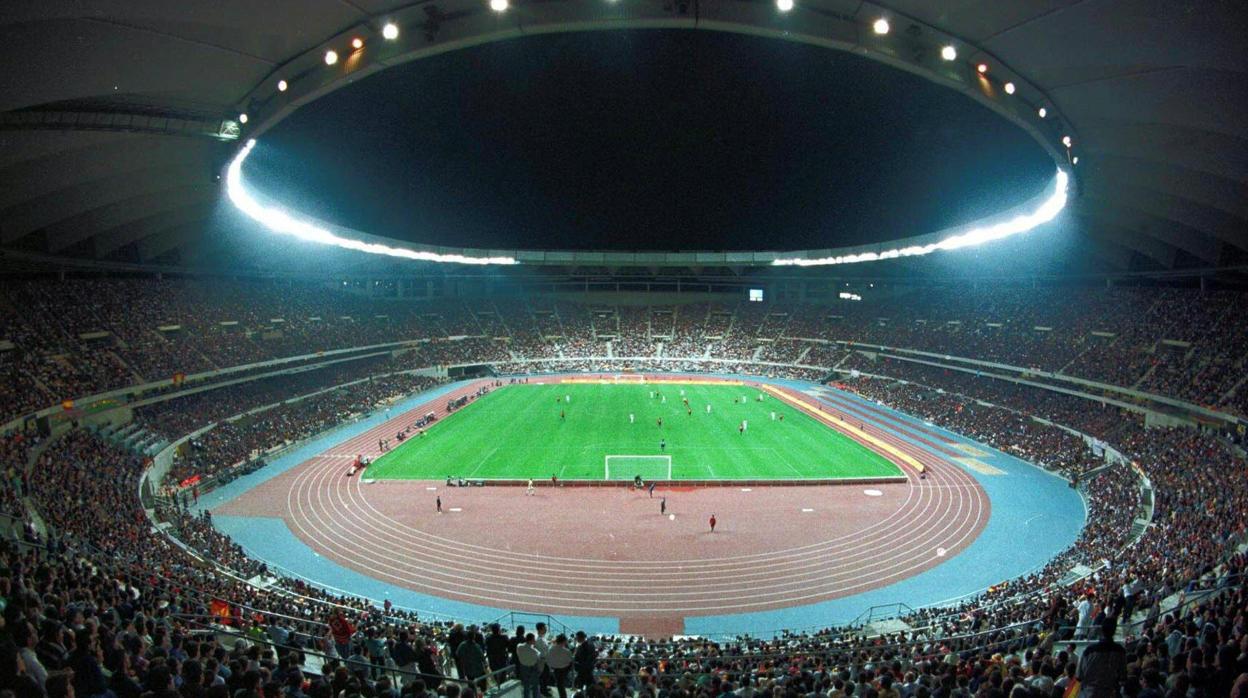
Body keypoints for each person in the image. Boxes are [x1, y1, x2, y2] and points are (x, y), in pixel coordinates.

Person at [1077, 617, 1127, 697]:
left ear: (1101, 629)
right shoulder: (1120, 651)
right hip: (1109, 693)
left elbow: (1079, 676)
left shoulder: (1088, 651)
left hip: (1089, 693)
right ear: (1114, 630)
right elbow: (1123, 677)